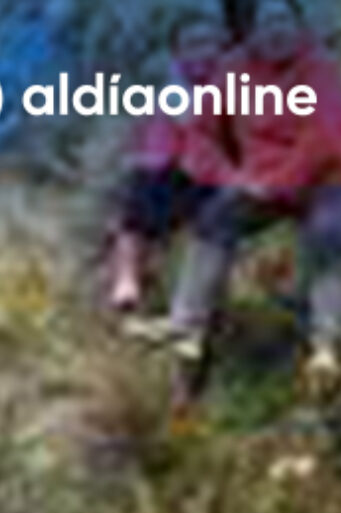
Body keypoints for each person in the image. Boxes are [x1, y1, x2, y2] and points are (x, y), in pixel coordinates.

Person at [151, 0, 341, 400]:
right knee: (215, 218)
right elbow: (200, 135)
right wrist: (231, 178)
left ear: (300, 26)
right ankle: (187, 326)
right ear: (251, 32)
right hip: (267, 185)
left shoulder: (318, 68)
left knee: (329, 235)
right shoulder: (234, 69)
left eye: (284, 20)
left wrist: (271, 184)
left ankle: (326, 346)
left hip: (337, 179)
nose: (277, 30)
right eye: (267, 22)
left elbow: (324, 142)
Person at [107, 10, 233, 312]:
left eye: (209, 43)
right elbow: (163, 140)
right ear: (178, 52)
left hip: (218, 173)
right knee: (139, 199)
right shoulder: (173, 87)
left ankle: (196, 298)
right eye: (192, 44)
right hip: (173, 168)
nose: (202, 51)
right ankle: (127, 281)